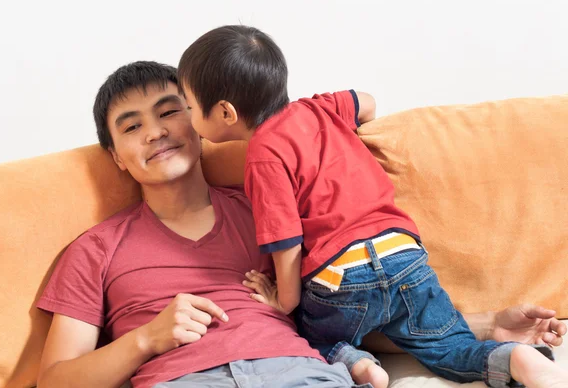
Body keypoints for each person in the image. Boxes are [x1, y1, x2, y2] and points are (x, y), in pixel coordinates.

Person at [36, 61, 566, 388]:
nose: (155, 132)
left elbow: (349, 310)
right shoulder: (96, 249)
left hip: (302, 373)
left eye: (169, 112)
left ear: (202, 121)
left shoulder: (269, 206)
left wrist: (485, 324)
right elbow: (55, 380)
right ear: (117, 157)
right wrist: (145, 339)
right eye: (132, 126)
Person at [177, 25, 568, 388]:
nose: (190, 120)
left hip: (341, 275)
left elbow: (287, 242)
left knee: (309, 333)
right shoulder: (319, 108)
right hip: (404, 255)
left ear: (226, 113)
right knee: (449, 347)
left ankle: (358, 364)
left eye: (191, 108)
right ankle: (514, 358)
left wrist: (284, 300)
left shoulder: (262, 155)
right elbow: (367, 102)